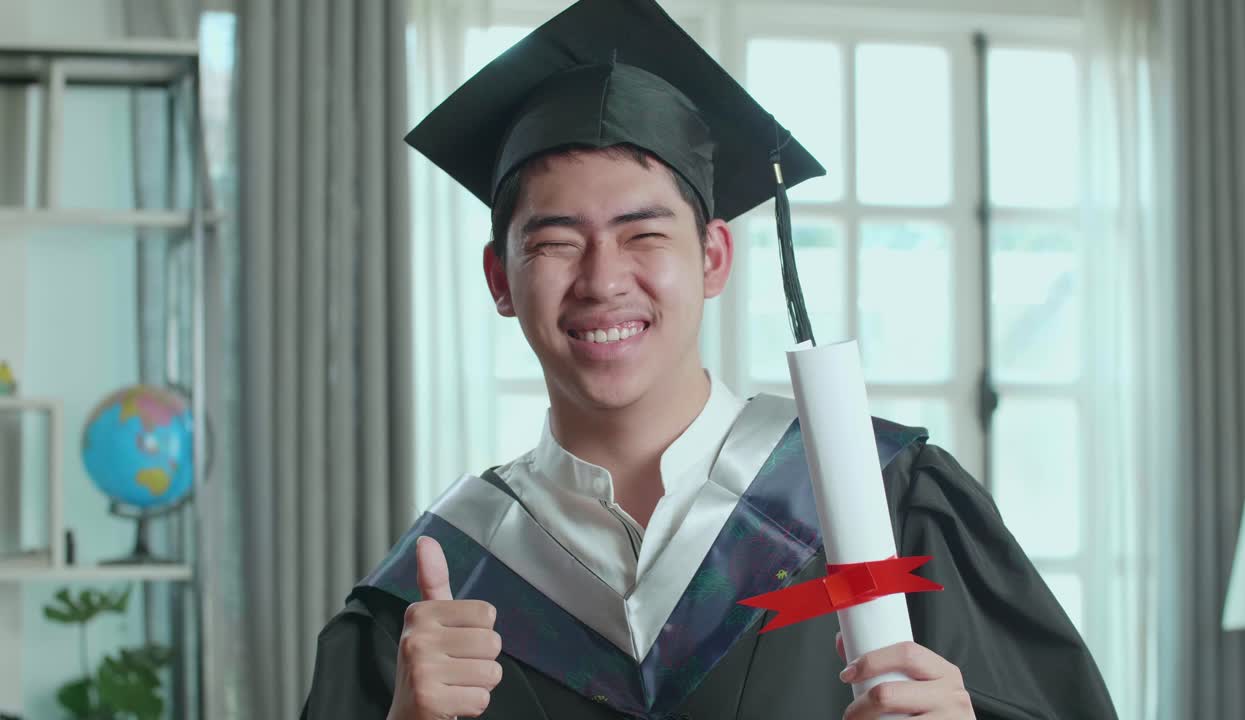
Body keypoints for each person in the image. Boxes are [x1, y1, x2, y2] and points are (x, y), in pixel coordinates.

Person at [303, 1, 1118, 718]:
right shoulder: (436, 595)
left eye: (644, 234)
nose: (602, 280)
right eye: (555, 243)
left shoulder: (886, 500)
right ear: (499, 280)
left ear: (715, 258)